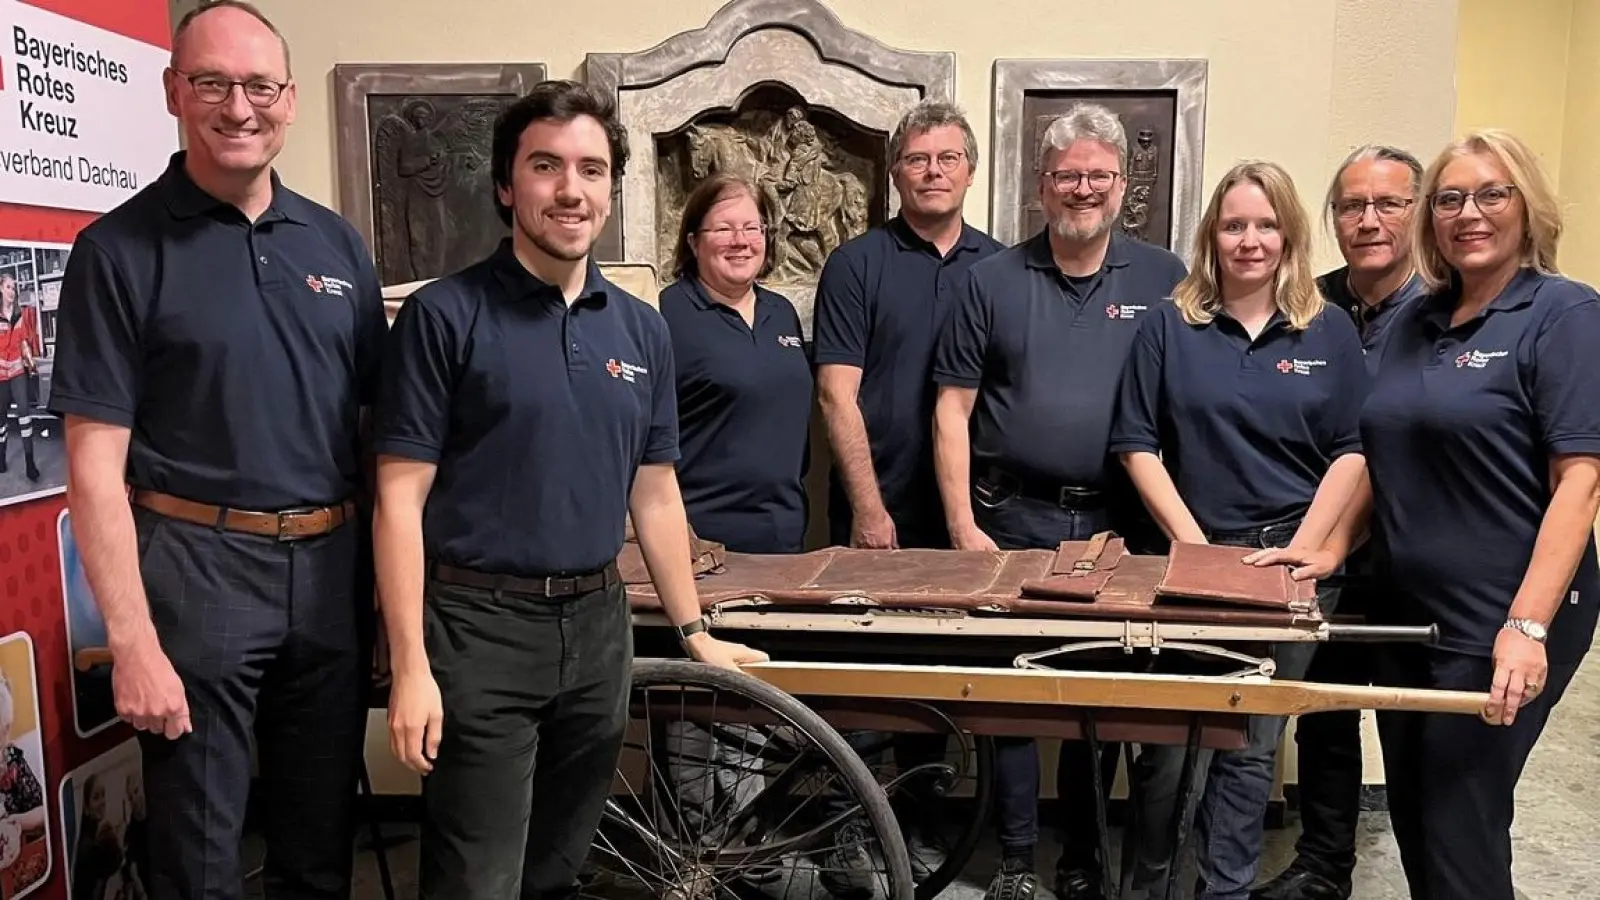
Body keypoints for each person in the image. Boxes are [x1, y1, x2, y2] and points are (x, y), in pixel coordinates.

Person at [372, 79, 767, 900]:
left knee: (559, 871)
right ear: (506, 187)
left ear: (610, 189)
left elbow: (655, 493)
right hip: (477, 633)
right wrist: (410, 663)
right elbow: (398, 501)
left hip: (598, 632)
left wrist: (695, 631)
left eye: (590, 169)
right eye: (546, 166)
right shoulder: (444, 317)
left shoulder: (640, 327)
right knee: (476, 880)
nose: (569, 188)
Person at [49, 3, 386, 898]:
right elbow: (92, 467)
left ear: (289, 100)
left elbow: (371, 432)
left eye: (260, 86)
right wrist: (133, 644)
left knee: (320, 855)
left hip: (329, 574)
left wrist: (385, 605)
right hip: (196, 576)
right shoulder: (116, 251)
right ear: (173, 92)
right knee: (199, 863)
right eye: (212, 83)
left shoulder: (338, 246)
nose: (240, 107)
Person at [1249, 129, 1600, 900]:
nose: (1468, 213)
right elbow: (1383, 448)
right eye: (1451, 199)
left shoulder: (1563, 313)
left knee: (1458, 819)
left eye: (1490, 194)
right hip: (1410, 608)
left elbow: (1580, 483)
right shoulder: (1417, 317)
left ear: (1527, 206)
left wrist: (1527, 626)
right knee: (1414, 811)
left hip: (1503, 610)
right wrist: (1329, 546)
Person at [930, 102, 1186, 900]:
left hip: (1120, 526)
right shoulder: (990, 280)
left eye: (1099, 176)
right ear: (1042, 184)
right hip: (1013, 518)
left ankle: (1081, 856)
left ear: (1122, 185)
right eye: (1068, 175)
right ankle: (1013, 861)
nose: (1084, 189)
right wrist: (963, 526)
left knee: (1101, 698)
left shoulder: (1166, 278)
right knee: (1012, 695)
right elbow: (951, 409)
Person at [1109, 160, 1369, 900]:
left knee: (1252, 748)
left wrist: (1311, 548)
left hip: (1293, 566)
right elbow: (1136, 442)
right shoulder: (1171, 324)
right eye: (1234, 225)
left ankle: (1223, 889)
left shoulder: (1329, 327)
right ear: (1211, 236)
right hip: (1189, 558)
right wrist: (1195, 547)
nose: (1249, 240)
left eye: (1264, 224)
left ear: (1287, 233)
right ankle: (1148, 889)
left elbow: (1353, 447)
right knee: (1168, 751)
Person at [812, 99, 1003, 882]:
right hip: (877, 509)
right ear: (895, 174)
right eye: (918, 159)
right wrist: (868, 509)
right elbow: (835, 392)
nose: (933, 172)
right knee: (859, 679)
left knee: (937, 684)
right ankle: (851, 836)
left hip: (970, 518)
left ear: (970, 170)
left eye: (948, 158)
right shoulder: (857, 263)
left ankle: (921, 831)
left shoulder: (1002, 265)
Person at [1250, 144, 1425, 900]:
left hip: (1411, 555)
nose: (1368, 220)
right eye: (1352, 205)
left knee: (1417, 737)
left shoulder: (1445, 310)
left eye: (1388, 204)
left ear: (1416, 213)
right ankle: (1324, 869)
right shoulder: (1309, 307)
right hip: (1319, 552)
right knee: (1325, 714)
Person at [659, 172, 813, 555]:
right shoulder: (664, 315)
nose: (741, 241)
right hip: (701, 542)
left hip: (784, 535)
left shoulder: (782, 314)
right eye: (724, 229)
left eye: (751, 228)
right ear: (693, 241)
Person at [0, 274, 40, 482]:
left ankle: (30, 463)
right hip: (0, 376)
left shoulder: (20, 315)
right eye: (8, 287)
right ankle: (1, 457)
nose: (12, 291)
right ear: (0, 289)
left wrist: (30, 363)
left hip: (17, 372)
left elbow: (24, 342)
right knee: (1, 419)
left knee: (24, 414)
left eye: (13, 288)